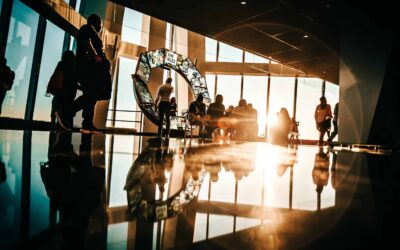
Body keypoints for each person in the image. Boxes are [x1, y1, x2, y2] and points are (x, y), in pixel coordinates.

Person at [76, 14, 111, 133]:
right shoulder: (87, 29)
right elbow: (86, 41)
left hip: (92, 70)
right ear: (95, 22)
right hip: (89, 70)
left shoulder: (89, 30)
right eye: (100, 24)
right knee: (90, 96)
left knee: (91, 96)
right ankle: (70, 112)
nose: (101, 27)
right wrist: (95, 56)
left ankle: (87, 123)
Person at [49, 50, 79, 130]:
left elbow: (55, 76)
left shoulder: (61, 64)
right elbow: (74, 82)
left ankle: (53, 127)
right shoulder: (73, 68)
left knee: (56, 110)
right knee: (67, 114)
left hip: (59, 93)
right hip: (67, 95)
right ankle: (66, 130)